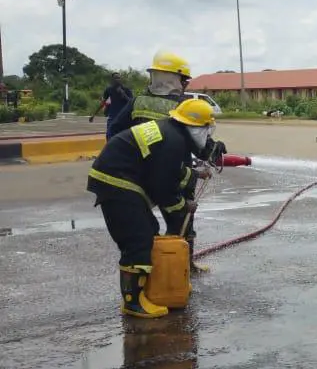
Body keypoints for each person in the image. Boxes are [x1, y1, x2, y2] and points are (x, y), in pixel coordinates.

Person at [87, 98, 218, 318]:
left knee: (149, 229)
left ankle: (150, 290)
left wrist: (194, 175)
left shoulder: (171, 132)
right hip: (117, 181)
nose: (207, 134)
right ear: (194, 127)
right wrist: (184, 205)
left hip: (118, 178)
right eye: (206, 128)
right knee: (138, 239)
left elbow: (170, 171)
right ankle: (132, 302)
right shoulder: (173, 141)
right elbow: (163, 188)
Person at [109, 51, 226, 273]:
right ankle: (181, 268)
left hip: (139, 175)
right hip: (176, 174)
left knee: (144, 226)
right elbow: (197, 141)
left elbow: (115, 131)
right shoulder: (182, 105)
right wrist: (214, 149)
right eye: (184, 80)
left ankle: (156, 266)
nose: (185, 84)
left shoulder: (137, 101)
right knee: (181, 221)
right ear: (174, 79)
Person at [90, 74, 134, 139]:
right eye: (115, 78)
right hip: (112, 116)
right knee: (109, 135)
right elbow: (103, 103)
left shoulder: (126, 90)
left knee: (122, 136)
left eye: (119, 78)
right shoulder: (109, 89)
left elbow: (131, 102)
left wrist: (123, 94)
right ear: (112, 80)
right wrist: (94, 115)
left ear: (121, 79)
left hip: (123, 117)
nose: (117, 80)